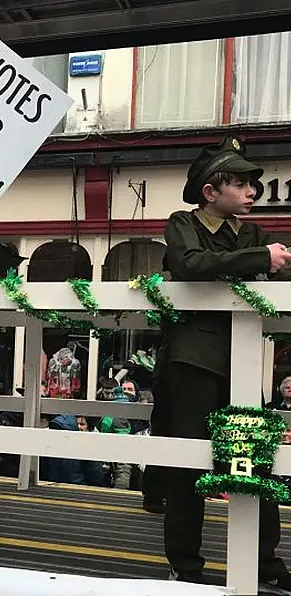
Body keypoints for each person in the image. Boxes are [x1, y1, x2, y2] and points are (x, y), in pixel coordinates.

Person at [146, 136, 291, 590]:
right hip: (194, 360)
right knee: (189, 467)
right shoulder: (182, 223)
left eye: (254, 183)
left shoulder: (253, 234)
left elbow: (275, 266)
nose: (253, 191)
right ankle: (185, 564)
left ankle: (263, 564)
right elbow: (190, 264)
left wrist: (268, 261)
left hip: (244, 361)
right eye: (243, 183)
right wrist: (259, 260)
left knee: (253, 465)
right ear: (211, 190)